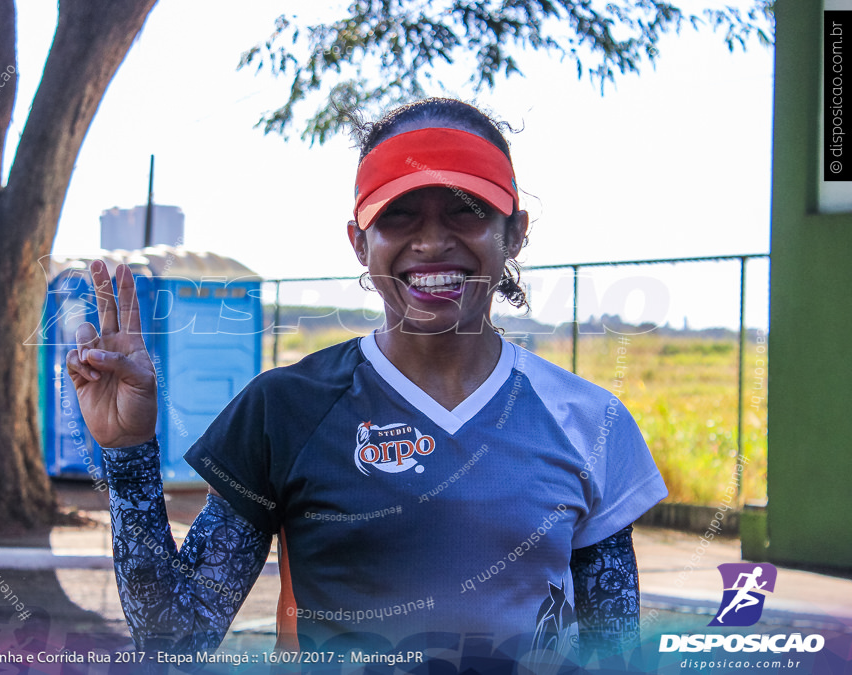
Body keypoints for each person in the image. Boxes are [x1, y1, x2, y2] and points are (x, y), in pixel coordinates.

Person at [66, 98, 668, 670]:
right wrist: (127, 454)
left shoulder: (589, 421)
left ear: (515, 233)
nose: (432, 242)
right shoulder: (286, 410)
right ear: (359, 240)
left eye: (466, 209)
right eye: (399, 214)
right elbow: (176, 638)